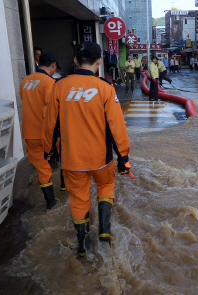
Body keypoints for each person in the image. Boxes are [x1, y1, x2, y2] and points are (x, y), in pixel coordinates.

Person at [43, 41, 131, 258]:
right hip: (101, 158)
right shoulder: (105, 88)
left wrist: (48, 151)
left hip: (72, 159)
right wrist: (124, 159)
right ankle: (104, 231)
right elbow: (116, 127)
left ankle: (82, 245)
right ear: (99, 61)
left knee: (79, 199)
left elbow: (50, 124)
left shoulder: (59, 86)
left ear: (75, 61)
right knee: (106, 185)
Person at [20, 52, 61, 211]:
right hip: (46, 133)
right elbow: (51, 112)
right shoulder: (49, 82)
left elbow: (25, 100)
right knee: (62, 156)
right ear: (53, 65)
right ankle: (61, 191)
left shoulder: (25, 81)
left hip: (29, 133)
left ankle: (50, 202)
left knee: (41, 168)